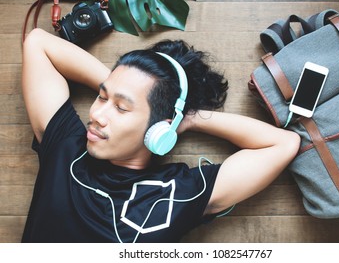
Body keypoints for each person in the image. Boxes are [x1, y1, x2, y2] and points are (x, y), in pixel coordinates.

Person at [21, 28, 300, 243]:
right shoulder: (66, 146)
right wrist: (123, 83)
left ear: (161, 130)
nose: (96, 114)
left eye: (120, 108)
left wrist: (187, 119)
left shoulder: (177, 193)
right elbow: (38, 43)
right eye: (100, 97)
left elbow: (284, 143)